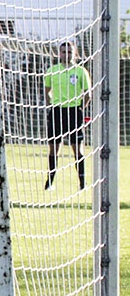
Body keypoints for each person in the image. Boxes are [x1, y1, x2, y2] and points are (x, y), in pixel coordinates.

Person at [43, 41, 91, 190]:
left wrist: (80, 109)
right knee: (53, 149)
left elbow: (88, 94)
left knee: (78, 149)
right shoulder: (52, 70)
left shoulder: (80, 71)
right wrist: (51, 105)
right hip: (57, 111)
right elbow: (47, 90)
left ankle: (82, 183)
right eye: (63, 52)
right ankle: (50, 182)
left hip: (74, 112)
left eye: (69, 52)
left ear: (75, 53)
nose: (66, 54)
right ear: (59, 53)